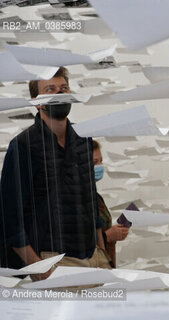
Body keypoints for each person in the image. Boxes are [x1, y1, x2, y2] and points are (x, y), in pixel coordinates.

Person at [0, 67, 110, 280]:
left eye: (64, 88)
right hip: (51, 260)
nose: (60, 94)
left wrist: (101, 249)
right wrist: (37, 267)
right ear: (37, 102)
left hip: (92, 257)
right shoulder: (23, 145)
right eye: (51, 89)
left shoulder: (83, 138)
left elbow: (89, 198)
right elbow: (9, 217)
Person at [92, 140, 129, 267]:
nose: (100, 166)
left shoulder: (96, 197)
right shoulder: (76, 199)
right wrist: (107, 236)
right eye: (94, 162)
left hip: (105, 263)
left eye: (101, 161)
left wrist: (116, 232)